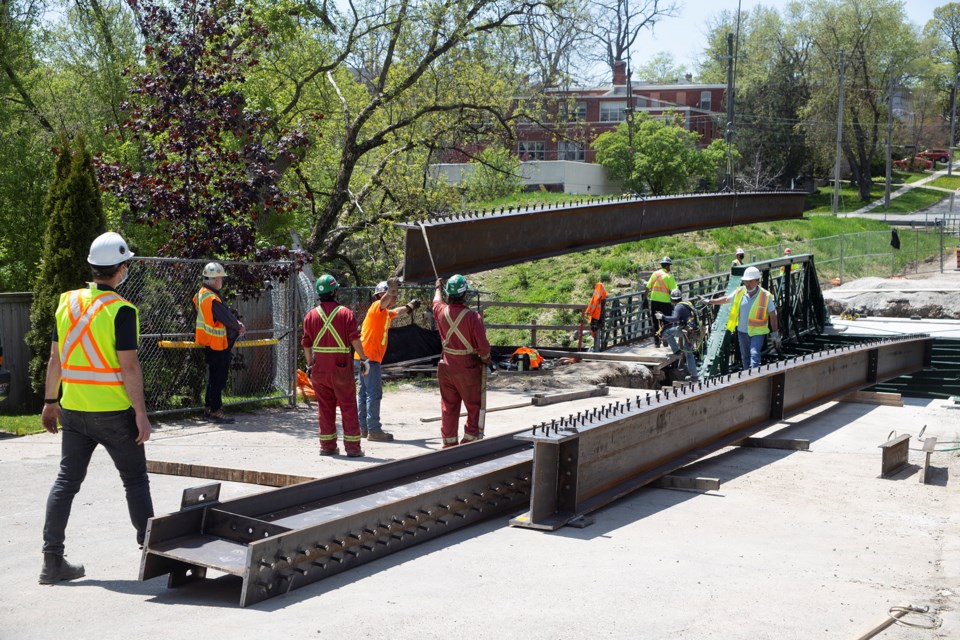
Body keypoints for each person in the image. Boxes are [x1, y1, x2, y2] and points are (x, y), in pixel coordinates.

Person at [38, 231, 154, 584]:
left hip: (73, 410)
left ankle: (52, 562)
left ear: (92, 267)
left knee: (66, 482)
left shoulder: (67, 302)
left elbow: (55, 359)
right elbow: (129, 367)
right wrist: (140, 413)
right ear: (120, 269)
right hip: (114, 413)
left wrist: (49, 402)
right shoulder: (121, 310)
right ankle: (152, 551)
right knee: (135, 480)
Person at [302, 274, 369, 457]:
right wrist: (363, 359)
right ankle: (353, 448)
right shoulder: (345, 313)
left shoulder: (311, 315)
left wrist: (309, 365)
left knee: (325, 408)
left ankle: (327, 446)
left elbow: (306, 344)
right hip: (340, 368)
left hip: (319, 369)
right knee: (348, 406)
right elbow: (354, 339)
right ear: (335, 291)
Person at [354, 278, 420, 441]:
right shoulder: (377, 307)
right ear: (382, 295)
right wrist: (392, 289)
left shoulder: (384, 314)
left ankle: (362, 428)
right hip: (370, 359)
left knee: (364, 394)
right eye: (391, 295)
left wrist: (409, 307)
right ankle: (374, 430)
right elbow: (384, 301)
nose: (394, 298)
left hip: (362, 357)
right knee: (374, 394)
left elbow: (396, 311)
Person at [432, 274, 491, 448]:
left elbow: (435, 301)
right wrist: (486, 359)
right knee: (473, 406)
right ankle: (469, 443)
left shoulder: (440, 311)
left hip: (446, 366)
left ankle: (449, 444)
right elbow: (484, 348)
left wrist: (437, 286)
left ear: (448, 294)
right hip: (468, 367)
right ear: (465, 295)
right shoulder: (473, 317)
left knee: (448, 406)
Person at [193, 262, 245, 424]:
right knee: (218, 379)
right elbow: (225, 317)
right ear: (215, 279)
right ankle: (215, 410)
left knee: (213, 378)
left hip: (210, 342)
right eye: (221, 278)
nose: (222, 281)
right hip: (218, 343)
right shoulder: (212, 298)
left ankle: (209, 409)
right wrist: (238, 326)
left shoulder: (201, 294)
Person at [708, 266, 781, 370]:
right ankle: (747, 376)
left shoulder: (766, 296)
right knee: (745, 357)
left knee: (754, 354)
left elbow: (773, 315)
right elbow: (726, 299)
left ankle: (754, 378)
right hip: (742, 331)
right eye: (746, 281)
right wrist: (710, 302)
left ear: (757, 281)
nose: (747, 284)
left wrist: (775, 334)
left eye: (750, 282)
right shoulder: (740, 292)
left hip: (758, 332)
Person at [656, 289, 701, 381]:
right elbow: (698, 313)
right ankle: (694, 375)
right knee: (688, 353)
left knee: (667, 332)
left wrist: (662, 317)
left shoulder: (678, 307)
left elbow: (674, 318)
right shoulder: (687, 303)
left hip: (686, 331)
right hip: (692, 330)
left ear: (672, 299)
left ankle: (677, 351)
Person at [645, 257, 677, 348]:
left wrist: (645, 299)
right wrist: (677, 301)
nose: (670, 267)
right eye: (669, 265)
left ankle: (656, 343)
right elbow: (674, 291)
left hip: (654, 301)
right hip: (665, 302)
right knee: (667, 321)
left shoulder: (655, 274)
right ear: (667, 266)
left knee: (656, 322)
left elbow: (648, 287)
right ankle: (666, 338)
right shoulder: (669, 276)